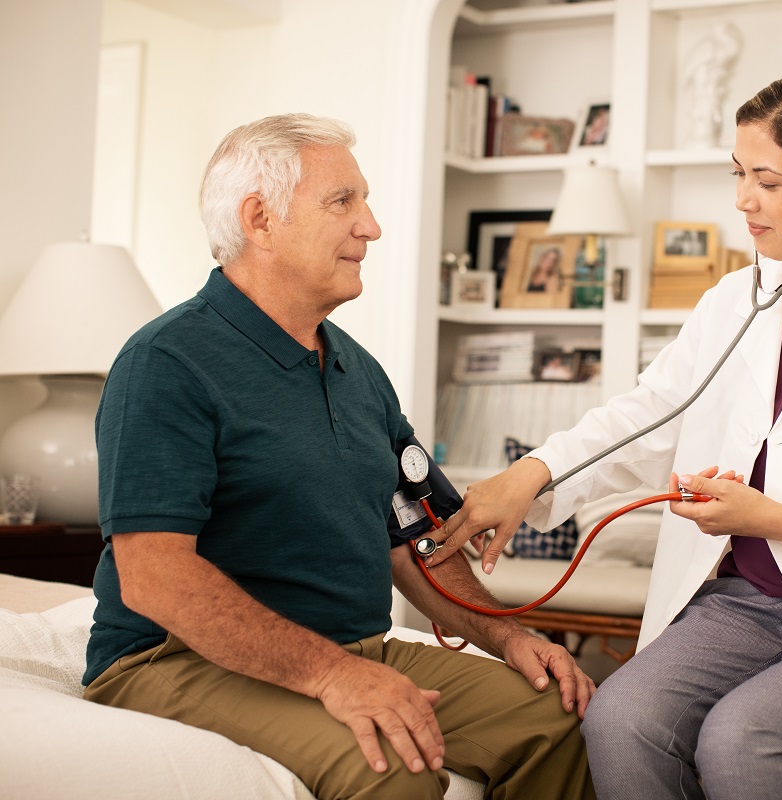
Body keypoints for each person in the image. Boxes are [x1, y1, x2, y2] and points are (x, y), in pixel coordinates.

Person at [426, 68, 782, 799]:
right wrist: (534, 473)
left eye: (766, 180)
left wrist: (781, 520)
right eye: (739, 173)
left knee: (743, 743)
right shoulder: (736, 300)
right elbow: (649, 414)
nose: (742, 199)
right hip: (748, 599)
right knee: (622, 720)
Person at [82, 113, 595, 800]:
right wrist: (332, 675)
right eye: (343, 202)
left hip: (349, 648)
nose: (371, 226)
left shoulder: (359, 370)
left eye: (366, 201)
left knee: (555, 719)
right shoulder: (166, 363)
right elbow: (153, 579)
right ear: (261, 219)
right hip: (174, 658)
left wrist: (508, 636)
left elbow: (416, 539)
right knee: (393, 767)